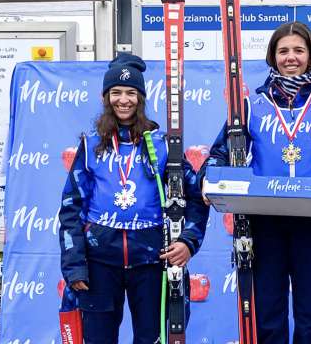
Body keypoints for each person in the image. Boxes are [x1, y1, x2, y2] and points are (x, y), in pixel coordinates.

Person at [199, 21, 311, 344]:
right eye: (283, 51)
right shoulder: (250, 105)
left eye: (299, 50)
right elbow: (219, 153)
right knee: (268, 319)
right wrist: (209, 177)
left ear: (310, 56)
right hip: (264, 224)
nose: (291, 57)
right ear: (273, 56)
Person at [59, 54, 209, 344]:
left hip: (151, 263)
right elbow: (70, 208)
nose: (123, 100)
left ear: (140, 98)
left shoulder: (162, 145)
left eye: (130, 93)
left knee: (153, 339)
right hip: (99, 264)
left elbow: (196, 196)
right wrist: (75, 265)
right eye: (116, 92)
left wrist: (188, 242)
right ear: (106, 98)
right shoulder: (90, 146)